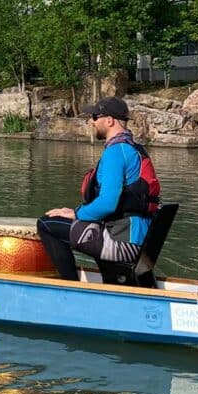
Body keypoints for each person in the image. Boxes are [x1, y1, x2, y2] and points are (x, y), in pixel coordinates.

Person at [36, 97, 161, 279]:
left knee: (47, 224)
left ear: (109, 120)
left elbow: (108, 203)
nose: (91, 122)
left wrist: (76, 213)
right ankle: (110, 281)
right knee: (89, 226)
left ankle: (69, 289)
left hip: (123, 243)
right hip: (137, 239)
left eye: (95, 116)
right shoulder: (133, 148)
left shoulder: (116, 152)